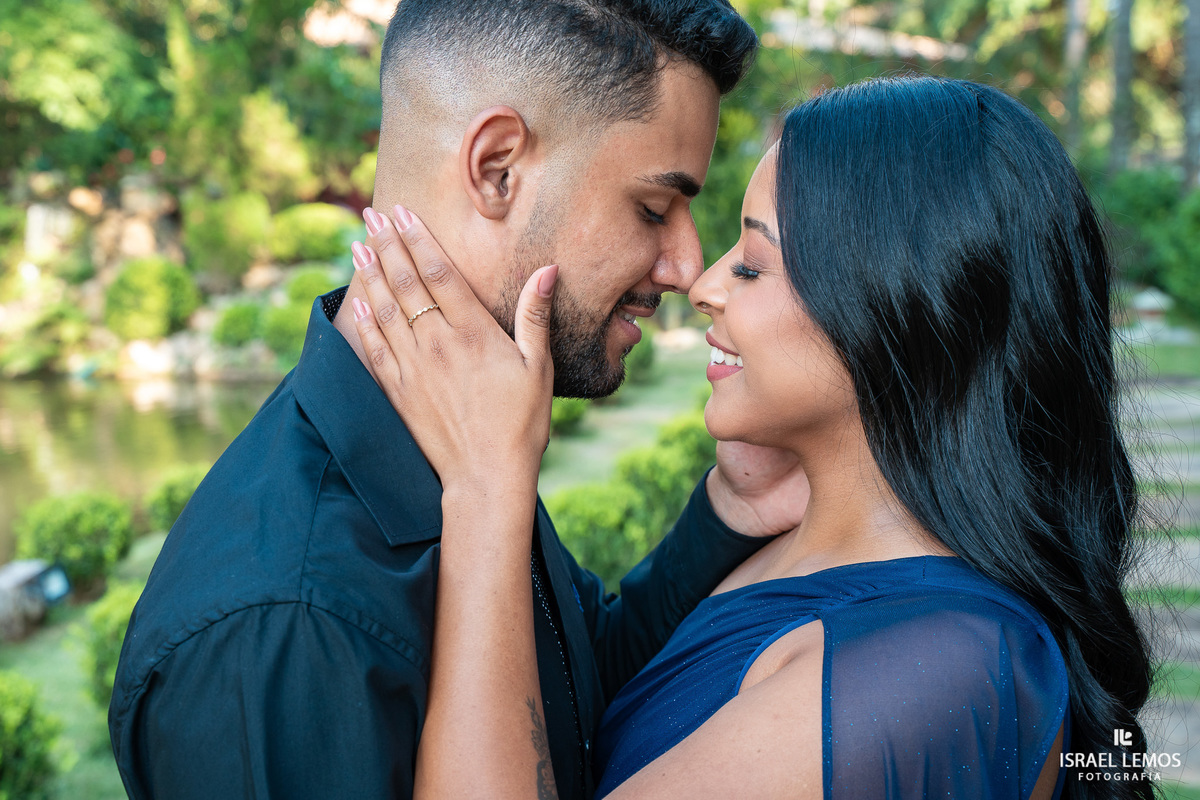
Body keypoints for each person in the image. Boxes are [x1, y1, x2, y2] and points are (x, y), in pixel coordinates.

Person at [351, 75, 1155, 799]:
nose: (701, 285)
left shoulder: (937, 667)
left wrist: (488, 485)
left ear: (894, 309)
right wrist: (729, 508)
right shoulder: (803, 548)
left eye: (751, 265)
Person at [108, 2, 810, 798]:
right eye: (653, 208)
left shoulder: (465, 438)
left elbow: (567, 705)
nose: (687, 265)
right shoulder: (285, 627)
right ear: (497, 168)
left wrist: (728, 514)